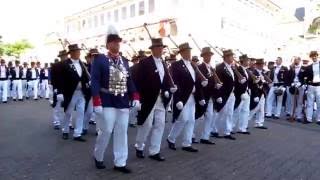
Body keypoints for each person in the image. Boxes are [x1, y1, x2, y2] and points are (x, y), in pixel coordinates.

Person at [91, 26, 140, 173]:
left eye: (118, 42)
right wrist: (96, 101)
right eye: (113, 42)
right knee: (106, 130)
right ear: (107, 44)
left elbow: (129, 80)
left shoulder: (124, 61)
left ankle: (120, 162)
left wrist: (135, 96)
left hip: (122, 101)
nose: (116, 44)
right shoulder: (99, 60)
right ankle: (98, 155)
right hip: (106, 100)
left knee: (121, 132)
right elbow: (95, 81)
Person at [134, 38, 177, 161]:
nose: (160, 50)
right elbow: (138, 81)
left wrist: (170, 88)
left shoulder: (163, 63)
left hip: (161, 99)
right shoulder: (144, 63)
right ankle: (139, 146)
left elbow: (165, 80)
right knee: (146, 124)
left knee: (160, 124)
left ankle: (154, 151)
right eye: (157, 48)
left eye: (161, 48)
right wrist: (138, 99)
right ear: (152, 50)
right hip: (148, 99)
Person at [167, 42, 206, 152]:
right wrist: (178, 99)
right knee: (182, 119)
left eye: (190, 51)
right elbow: (175, 83)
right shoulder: (176, 65)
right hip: (183, 96)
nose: (189, 53)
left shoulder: (193, 65)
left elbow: (196, 82)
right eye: (187, 51)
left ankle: (187, 143)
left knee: (191, 120)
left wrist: (201, 96)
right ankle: (171, 138)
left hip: (192, 96)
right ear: (182, 53)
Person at [59, 44, 91, 142]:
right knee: (68, 112)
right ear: (72, 53)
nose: (79, 53)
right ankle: (65, 131)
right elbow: (62, 79)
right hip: (70, 92)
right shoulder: (65, 64)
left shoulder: (82, 64)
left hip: (81, 92)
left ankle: (78, 133)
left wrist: (88, 83)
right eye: (77, 51)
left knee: (81, 112)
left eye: (79, 51)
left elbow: (84, 77)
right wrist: (61, 92)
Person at [214, 50, 246, 140]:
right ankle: (214, 130)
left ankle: (227, 132)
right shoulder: (220, 67)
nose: (233, 58)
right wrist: (218, 95)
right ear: (226, 57)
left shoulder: (232, 67)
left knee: (229, 113)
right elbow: (218, 83)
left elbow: (234, 80)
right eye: (231, 56)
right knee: (221, 113)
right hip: (224, 94)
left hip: (232, 94)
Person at [194, 47, 220, 144]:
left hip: (210, 96)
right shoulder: (200, 67)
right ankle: (191, 135)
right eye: (206, 55)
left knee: (210, 116)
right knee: (198, 116)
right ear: (203, 56)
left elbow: (213, 81)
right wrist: (200, 97)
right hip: (202, 96)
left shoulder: (211, 68)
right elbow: (198, 83)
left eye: (210, 55)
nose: (208, 57)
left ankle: (205, 137)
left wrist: (216, 86)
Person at [299, 51, 320, 125]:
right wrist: (304, 83)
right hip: (311, 86)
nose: (314, 57)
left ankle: (319, 119)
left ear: (317, 56)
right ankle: (308, 118)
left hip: (319, 86)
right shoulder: (308, 67)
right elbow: (302, 76)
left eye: (315, 56)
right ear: (311, 57)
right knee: (309, 103)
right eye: (312, 56)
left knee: (319, 103)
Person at [232, 54, 251, 134]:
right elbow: (237, 82)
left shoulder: (246, 70)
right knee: (237, 111)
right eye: (247, 60)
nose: (248, 62)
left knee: (245, 111)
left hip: (246, 92)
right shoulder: (238, 69)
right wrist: (240, 93)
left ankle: (242, 128)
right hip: (240, 93)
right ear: (242, 61)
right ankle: (231, 128)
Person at [50, 50, 68, 130]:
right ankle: (56, 122)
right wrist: (55, 89)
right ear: (60, 57)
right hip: (58, 89)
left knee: (68, 107)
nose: (65, 57)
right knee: (57, 107)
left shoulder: (70, 65)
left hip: (67, 89)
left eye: (66, 55)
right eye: (63, 56)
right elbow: (53, 79)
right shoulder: (55, 66)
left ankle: (69, 123)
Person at [248, 59, 268, 129]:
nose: (261, 65)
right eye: (260, 64)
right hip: (257, 92)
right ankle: (246, 120)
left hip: (262, 92)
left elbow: (263, 81)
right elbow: (253, 83)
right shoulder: (254, 72)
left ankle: (259, 123)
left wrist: (265, 83)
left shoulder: (262, 72)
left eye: (262, 64)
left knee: (261, 109)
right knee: (254, 108)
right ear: (257, 65)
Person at [286, 57, 304, 121]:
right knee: (292, 102)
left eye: (297, 60)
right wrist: (291, 84)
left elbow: (305, 77)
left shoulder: (303, 68)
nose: (296, 61)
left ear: (300, 60)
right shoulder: (291, 68)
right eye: (295, 60)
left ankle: (299, 116)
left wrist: (301, 83)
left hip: (300, 86)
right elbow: (287, 77)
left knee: (300, 102)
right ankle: (292, 115)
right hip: (293, 85)